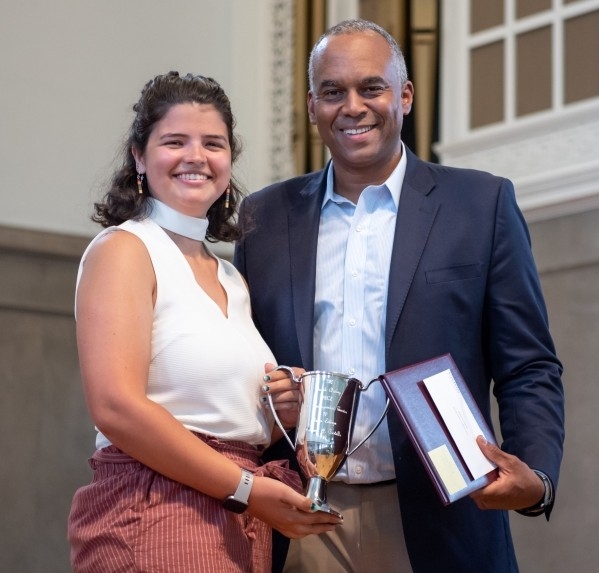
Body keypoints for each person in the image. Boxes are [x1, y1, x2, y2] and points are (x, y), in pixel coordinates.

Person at [234, 19, 565, 573]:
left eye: (372, 87)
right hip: (303, 517)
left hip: (445, 517)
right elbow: (245, 364)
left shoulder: (479, 204)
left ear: (405, 96)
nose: (353, 106)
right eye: (333, 92)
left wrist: (534, 474)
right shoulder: (264, 219)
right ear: (313, 105)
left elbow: (527, 365)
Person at [67, 71, 341, 573]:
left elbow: (219, 403)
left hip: (237, 513)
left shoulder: (231, 276)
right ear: (138, 156)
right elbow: (116, 407)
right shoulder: (126, 249)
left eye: (213, 143)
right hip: (155, 505)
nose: (196, 156)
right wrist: (243, 488)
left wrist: (288, 399)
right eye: (175, 141)